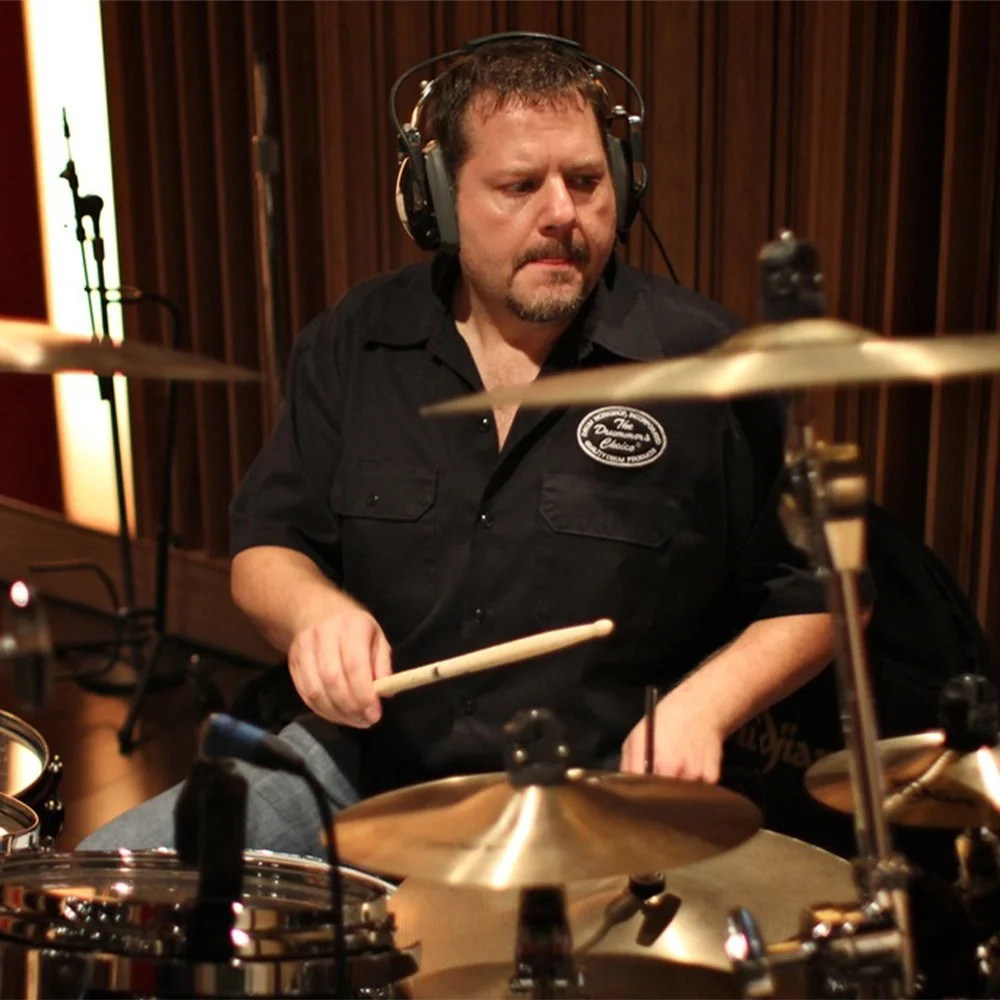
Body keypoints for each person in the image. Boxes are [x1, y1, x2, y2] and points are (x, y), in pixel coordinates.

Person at [79, 35, 835, 860]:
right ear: (435, 199)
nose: (563, 215)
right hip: (362, 765)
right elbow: (268, 545)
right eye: (520, 186)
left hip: (595, 794)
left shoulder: (707, 366)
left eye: (586, 182)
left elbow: (825, 591)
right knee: (97, 889)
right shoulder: (356, 343)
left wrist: (702, 706)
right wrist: (313, 612)